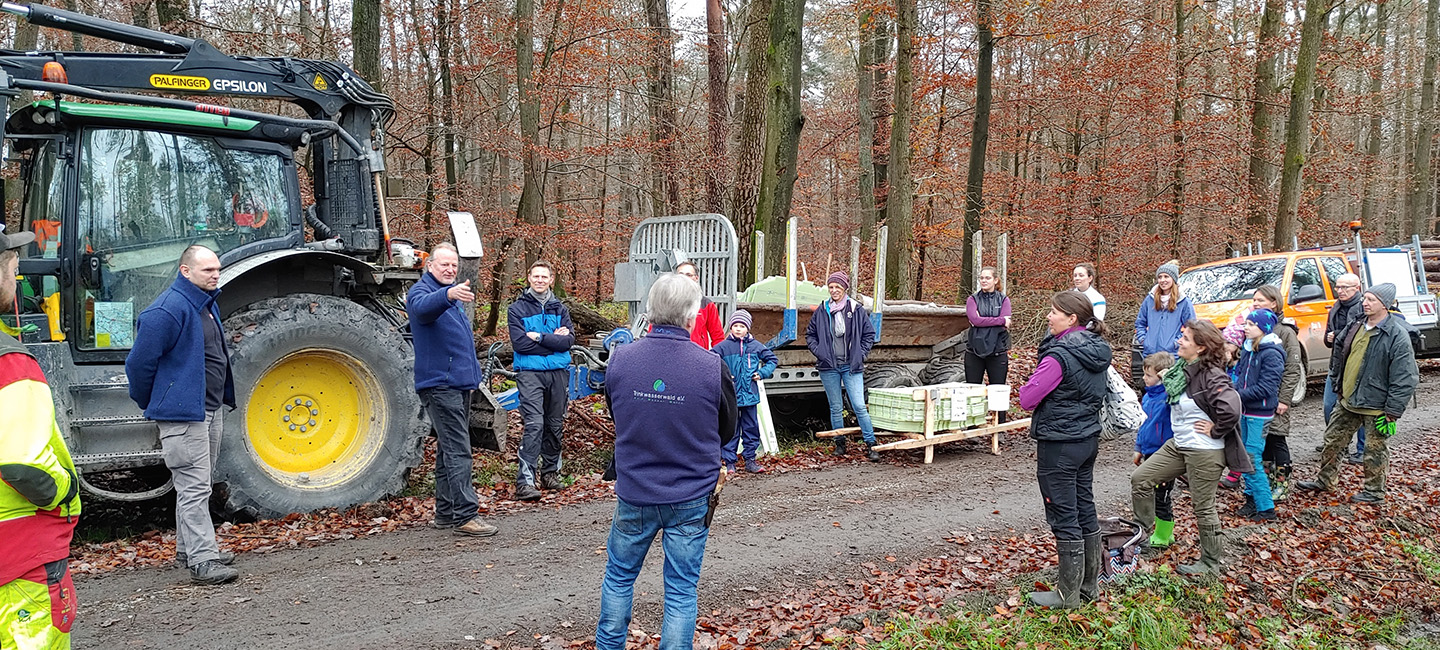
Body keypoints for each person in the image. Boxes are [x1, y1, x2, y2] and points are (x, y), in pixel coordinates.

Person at [596, 273, 738, 650]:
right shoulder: (711, 366)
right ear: (693, 317)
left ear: (650, 312)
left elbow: (617, 413)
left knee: (619, 577)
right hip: (690, 494)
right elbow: (726, 429)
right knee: (680, 590)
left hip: (635, 490)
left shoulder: (621, 360)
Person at [125, 245, 239, 585]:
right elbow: (139, 365)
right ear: (185, 271)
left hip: (209, 409)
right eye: (207, 270)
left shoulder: (205, 304)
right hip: (184, 415)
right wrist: (161, 401)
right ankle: (204, 560)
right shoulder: (167, 310)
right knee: (193, 487)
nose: (216, 274)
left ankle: (191, 548)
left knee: (198, 484)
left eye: (217, 269)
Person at [0, 228, 81, 648]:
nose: (17, 277)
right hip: (19, 560)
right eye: (12, 267)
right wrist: (66, 490)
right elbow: (23, 464)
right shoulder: (11, 363)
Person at [1130, 320, 1250, 576]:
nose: (1179, 341)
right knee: (1141, 479)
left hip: (1204, 450)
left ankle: (1210, 563)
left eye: (1185, 339)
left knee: (1203, 506)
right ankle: (1140, 539)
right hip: (1179, 444)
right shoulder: (1183, 371)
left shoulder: (1212, 375)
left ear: (1201, 348)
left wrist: (1215, 430)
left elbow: (1231, 409)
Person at [1016, 291, 1112, 608]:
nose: (1048, 316)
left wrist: (1025, 386)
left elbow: (1028, 398)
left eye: (1054, 312)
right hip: (1087, 440)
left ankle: (1066, 595)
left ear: (1071, 319)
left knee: (1064, 513)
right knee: (1085, 506)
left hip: (1060, 443)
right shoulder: (1096, 349)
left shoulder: (1060, 356)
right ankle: (1088, 586)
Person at [1298, 283, 1419, 504]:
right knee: (1332, 441)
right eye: (1365, 298)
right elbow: (1338, 353)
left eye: (1371, 300)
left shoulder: (1396, 334)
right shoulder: (1355, 326)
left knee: (1374, 450)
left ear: (1385, 305)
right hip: (1348, 401)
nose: (1365, 302)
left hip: (1377, 406)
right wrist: (1337, 384)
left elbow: (1406, 377)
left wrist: (1392, 410)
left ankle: (1374, 492)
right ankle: (1325, 481)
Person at [407, 243, 498, 537]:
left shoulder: (452, 297)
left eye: (454, 266)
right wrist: (448, 294)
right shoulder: (423, 293)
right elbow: (422, 310)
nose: (450, 270)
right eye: (444, 264)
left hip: (459, 384)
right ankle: (466, 514)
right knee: (459, 450)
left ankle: (446, 513)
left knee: (449, 451)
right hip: (440, 385)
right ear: (429, 265)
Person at [508, 261, 575, 502]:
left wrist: (538, 338)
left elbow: (568, 342)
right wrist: (552, 343)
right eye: (535, 276)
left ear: (551, 280)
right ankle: (525, 481)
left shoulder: (560, 309)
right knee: (535, 423)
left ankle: (550, 473)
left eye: (543, 277)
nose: (539, 280)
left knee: (555, 424)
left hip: (557, 373)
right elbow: (520, 344)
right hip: (529, 374)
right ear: (529, 278)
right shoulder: (517, 309)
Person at [805, 271, 880, 462]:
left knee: (859, 406)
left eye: (837, 287)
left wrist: (860, 354)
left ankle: (871, 444)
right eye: (831, 287)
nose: (834, 290)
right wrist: (820, 351)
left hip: (851, 366)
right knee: (835, 407)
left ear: (845, 288)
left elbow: (868, 334)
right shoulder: (823, 310)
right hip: (828, 366)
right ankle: (840, 444)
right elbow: (810, 335)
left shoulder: (856, 309)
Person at [1251, 285, 1303, 500]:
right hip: (1258, 399)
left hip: (1276, 398)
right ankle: (1264, 482)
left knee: (1276, 439)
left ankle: (1281, 483)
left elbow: (1292, 369)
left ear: (1274, 303)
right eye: (1254, 300)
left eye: (1261, 300)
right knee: (1261, 442)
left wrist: (1284, 399)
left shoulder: (1285, 332)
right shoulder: (1254, 329)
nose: (1255, 303)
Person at [711, 309, 778, 474]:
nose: (738, 329)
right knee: (731, 430)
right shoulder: (723, 347)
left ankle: (750, 460)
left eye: (742, 326)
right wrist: (723, 375)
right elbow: (710, 360)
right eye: (735, 325)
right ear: (731, 327)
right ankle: (730, 461)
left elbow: (772, 359)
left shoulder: (755, 346)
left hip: (750, 395)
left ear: (748, 328)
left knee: (751, 428)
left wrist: (762, 373)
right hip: (731, 397)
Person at [1232, 309, 1283, 521]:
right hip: (1244, 410)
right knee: (1244, 456)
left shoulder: (1271, 353)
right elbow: (1240, 375)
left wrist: (1236, 394)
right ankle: (1250, 500)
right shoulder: (1248, 349)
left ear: (1263, 328)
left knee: (1252, 458)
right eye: (1246, 324)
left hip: (1259, 414)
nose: (1246, 327)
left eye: (1251, 325)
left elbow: (1267, 387)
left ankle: (1266, 508)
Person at [1321, 273, 1366, 463]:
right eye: (1338, 287)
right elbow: (1327, 339)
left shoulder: (1364, 307)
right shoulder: (1334, 309)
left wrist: (1337, 335)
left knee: (1359, 409)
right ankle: (1337, 442)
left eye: (1345, 287)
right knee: (1328, 406)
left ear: (1356, 288)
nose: (1340, 291)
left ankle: (1363, 449)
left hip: (1356, 367)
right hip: (1336, 366)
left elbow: (1358, 336)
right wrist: (1329, 338)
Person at [1134, 352, 1177, 549]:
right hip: (1149, 451)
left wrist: (1168, 380)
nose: (1144, 378)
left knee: (1162, 496)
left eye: (1149, 375)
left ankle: (1163, 534)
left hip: (1165, 453)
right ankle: (1158, 531)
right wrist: (1138, 448)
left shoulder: (1168, 397)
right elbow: (1143, 425)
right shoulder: (1147, 397)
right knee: (1151, 492)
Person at [965, 267, 1012, 421]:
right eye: (982, 278)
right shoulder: (973, 299)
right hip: (974, 350)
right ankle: (973, 425)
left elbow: (1006, 323)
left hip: (998, 350)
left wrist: (984, 321)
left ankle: (999, 427)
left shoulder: (1003, 299)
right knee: (973, 389)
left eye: (988, 278)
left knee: (998, 390)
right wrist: (999, 320)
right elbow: (974, 320)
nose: (984, 281)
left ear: (995, 280)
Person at [1135, 260, 1196, 357]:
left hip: (1171, 355)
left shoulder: (1183, 302)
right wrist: (1144, 339)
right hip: (1150, 354)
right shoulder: (1150, 299)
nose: (1162, 280)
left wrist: (1176, 342)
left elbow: (1192, 327)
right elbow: (1140, 322)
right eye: (1160, 277)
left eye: (1166, 276)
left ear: (1173, 279)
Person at [675, 261, 725, 349]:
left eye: (688, 275)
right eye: (681, 274)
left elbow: (718, 337)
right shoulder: (666, 301)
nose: (684, 278)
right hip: (673, 353)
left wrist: (717, 358)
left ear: (696, 278)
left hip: (698, 355)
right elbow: (653, 329)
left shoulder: (706, 304)